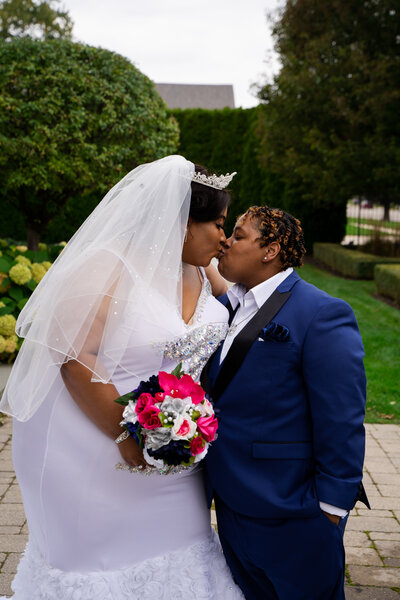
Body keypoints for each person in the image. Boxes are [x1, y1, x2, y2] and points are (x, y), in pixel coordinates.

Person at [0, 156, 244, 599]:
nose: (224, 238)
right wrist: (126, 438)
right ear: (184, 222)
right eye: (219, 224)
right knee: (97, 568)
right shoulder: (108, 267)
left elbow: (250, 304)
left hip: (175, 445)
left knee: (186, 543)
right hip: (89, 442)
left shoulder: (203, 268)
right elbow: (75, 360)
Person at [202, 206, 369, 600]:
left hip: (294, 509)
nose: (227, 241)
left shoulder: (322, 313)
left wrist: (330, 508)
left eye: (239, 235)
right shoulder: (227, 307)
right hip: (232, 501)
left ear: (270, 249)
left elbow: (342, 416)